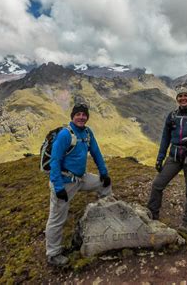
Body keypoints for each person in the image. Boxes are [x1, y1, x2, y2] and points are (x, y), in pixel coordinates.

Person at [45, 102, 112, 266]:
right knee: (57, 219)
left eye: (84, 115)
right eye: (78, 114)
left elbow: (96, 153)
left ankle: (105, 214)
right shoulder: (65, 135)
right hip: (65, 182)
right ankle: (53, 254)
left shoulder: (87, 133)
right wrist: (59, 187)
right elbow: (55, 161)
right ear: (72, 116)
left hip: (81, 178)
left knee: (104, 185)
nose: (81, 117)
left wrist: (104, 173)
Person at [147, 83, 187, 233]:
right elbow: (165, 138)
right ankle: (152, 214)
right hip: (175, 156)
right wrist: (160, 158)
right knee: (157, 184)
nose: (183, 98)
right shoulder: (172, 116)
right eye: (180, 96)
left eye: (186, 95)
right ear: (177, 98)